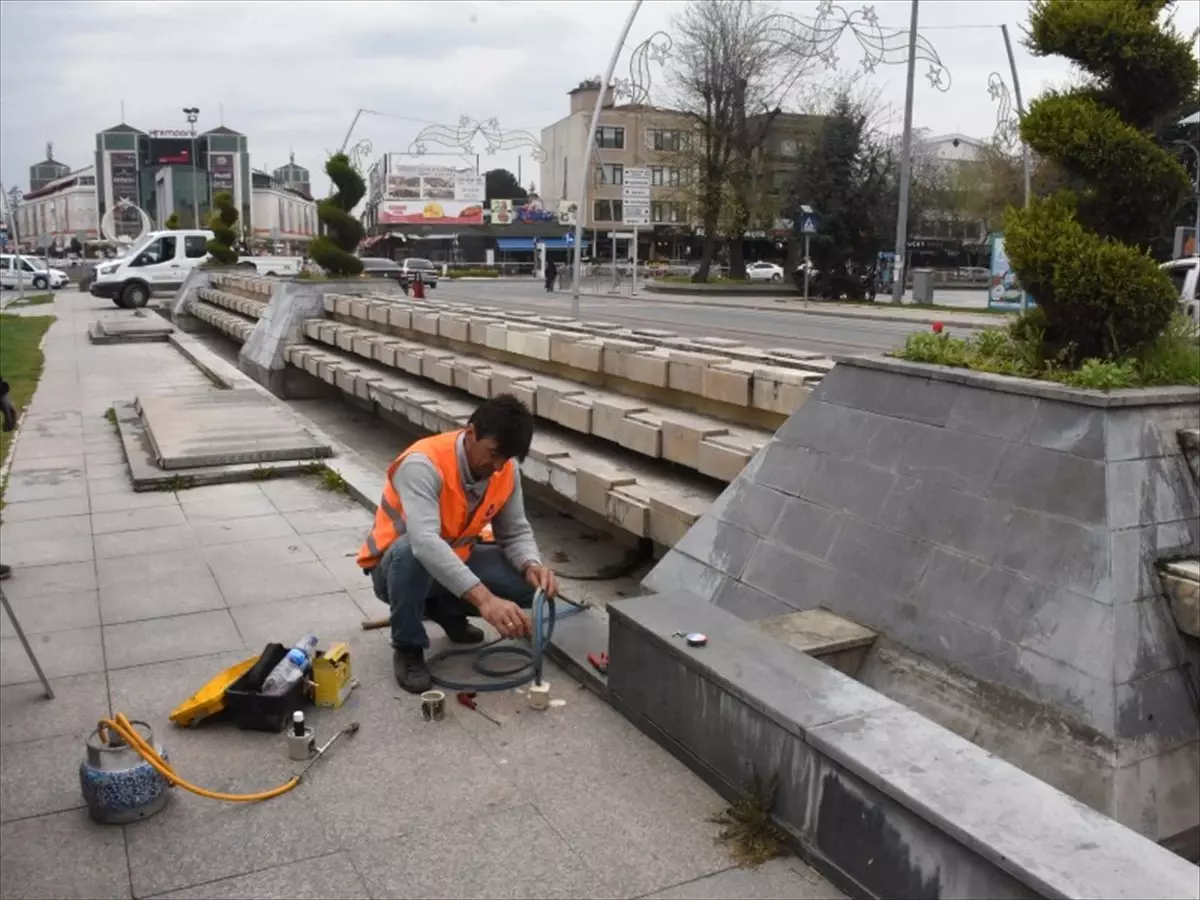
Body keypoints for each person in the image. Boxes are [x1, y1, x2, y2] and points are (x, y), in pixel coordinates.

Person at [357, 394, 558, 692]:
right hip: (396, 571)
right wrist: (486, 600)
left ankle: (444, 608)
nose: (498, 466)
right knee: (411, 550)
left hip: (452, 562)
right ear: (471, 433)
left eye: (507, 458)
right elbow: (424, 543)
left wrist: (532, 564)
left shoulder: (505, 470)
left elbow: (514, 532)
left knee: (528, 587)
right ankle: (408, 647)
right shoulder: (422, 464)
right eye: (493, 453)